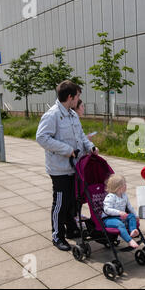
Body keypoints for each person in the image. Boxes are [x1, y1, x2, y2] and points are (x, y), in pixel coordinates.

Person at [36, 80, 99, 251]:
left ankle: (71, 229)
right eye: (77, 96)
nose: (78, 99)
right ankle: (57, 235)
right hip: (59, 169)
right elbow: (42, 138)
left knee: (73, 201)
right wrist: (67, 150)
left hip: (75, 167)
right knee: (61, 203)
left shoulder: (72, 115)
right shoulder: (52, 115)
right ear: (70, 97)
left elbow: (81, 136)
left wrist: (90, 147)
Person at [102, 175, 140, 249]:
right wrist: (119, 212)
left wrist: (136, 215)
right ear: (118, 187)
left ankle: (133, 230)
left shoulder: (124, 195)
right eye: (124, 184)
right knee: (119, 224)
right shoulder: (110, 197)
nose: (126, 186)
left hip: (121, 217)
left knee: (131, 216)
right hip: (109, 219)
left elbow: (129, 206)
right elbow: (107, 209)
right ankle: (129, 240)